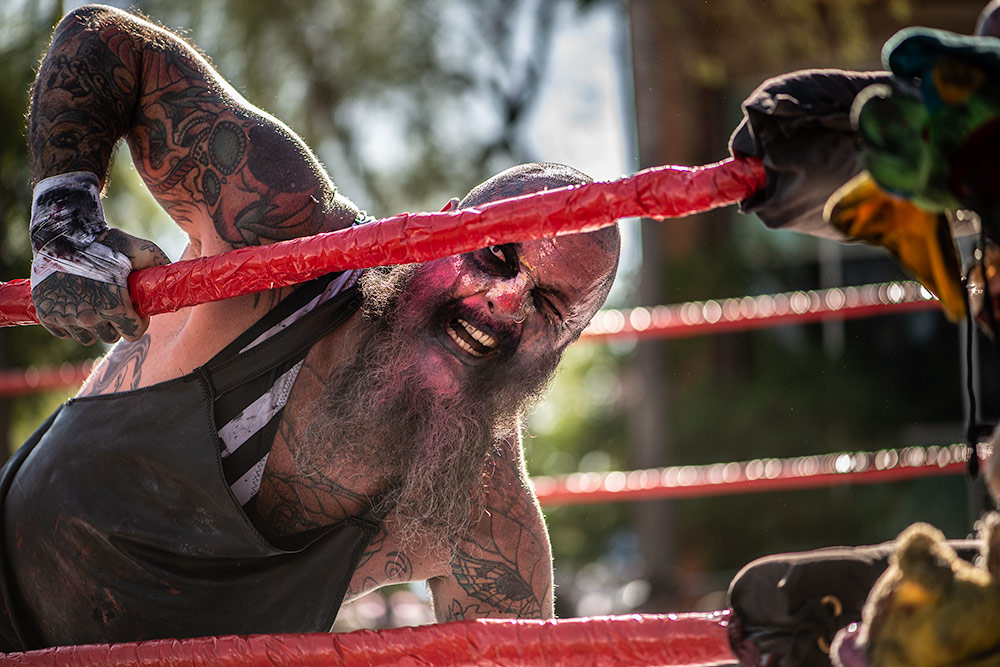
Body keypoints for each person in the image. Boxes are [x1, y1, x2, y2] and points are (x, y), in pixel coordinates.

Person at [3, 4, 620, 651]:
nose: (505, 299)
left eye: (549, 306)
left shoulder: (488, 517)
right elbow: (109, 42)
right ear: (441, 228)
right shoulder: (291, 239)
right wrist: (64, 221)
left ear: (564, 346)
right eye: (494, 252)